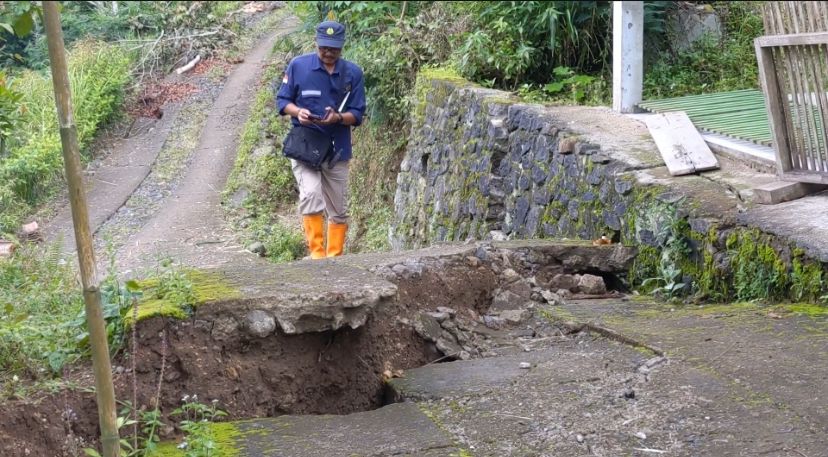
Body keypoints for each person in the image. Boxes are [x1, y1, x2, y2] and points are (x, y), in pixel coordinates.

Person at [276, 20, 365, 259]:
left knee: (338, 209)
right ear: (316, 43)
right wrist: (298, 112)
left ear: (342, 47)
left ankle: (334, 258)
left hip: (337, 149)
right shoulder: (298, 66)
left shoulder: (352, 73)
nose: (328, 53)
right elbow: (283, 101)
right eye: (324, 47)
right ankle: (317, 256)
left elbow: (357, 114)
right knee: (311, 194)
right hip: (305, 146)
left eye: (333, 49)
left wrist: (337, 117)